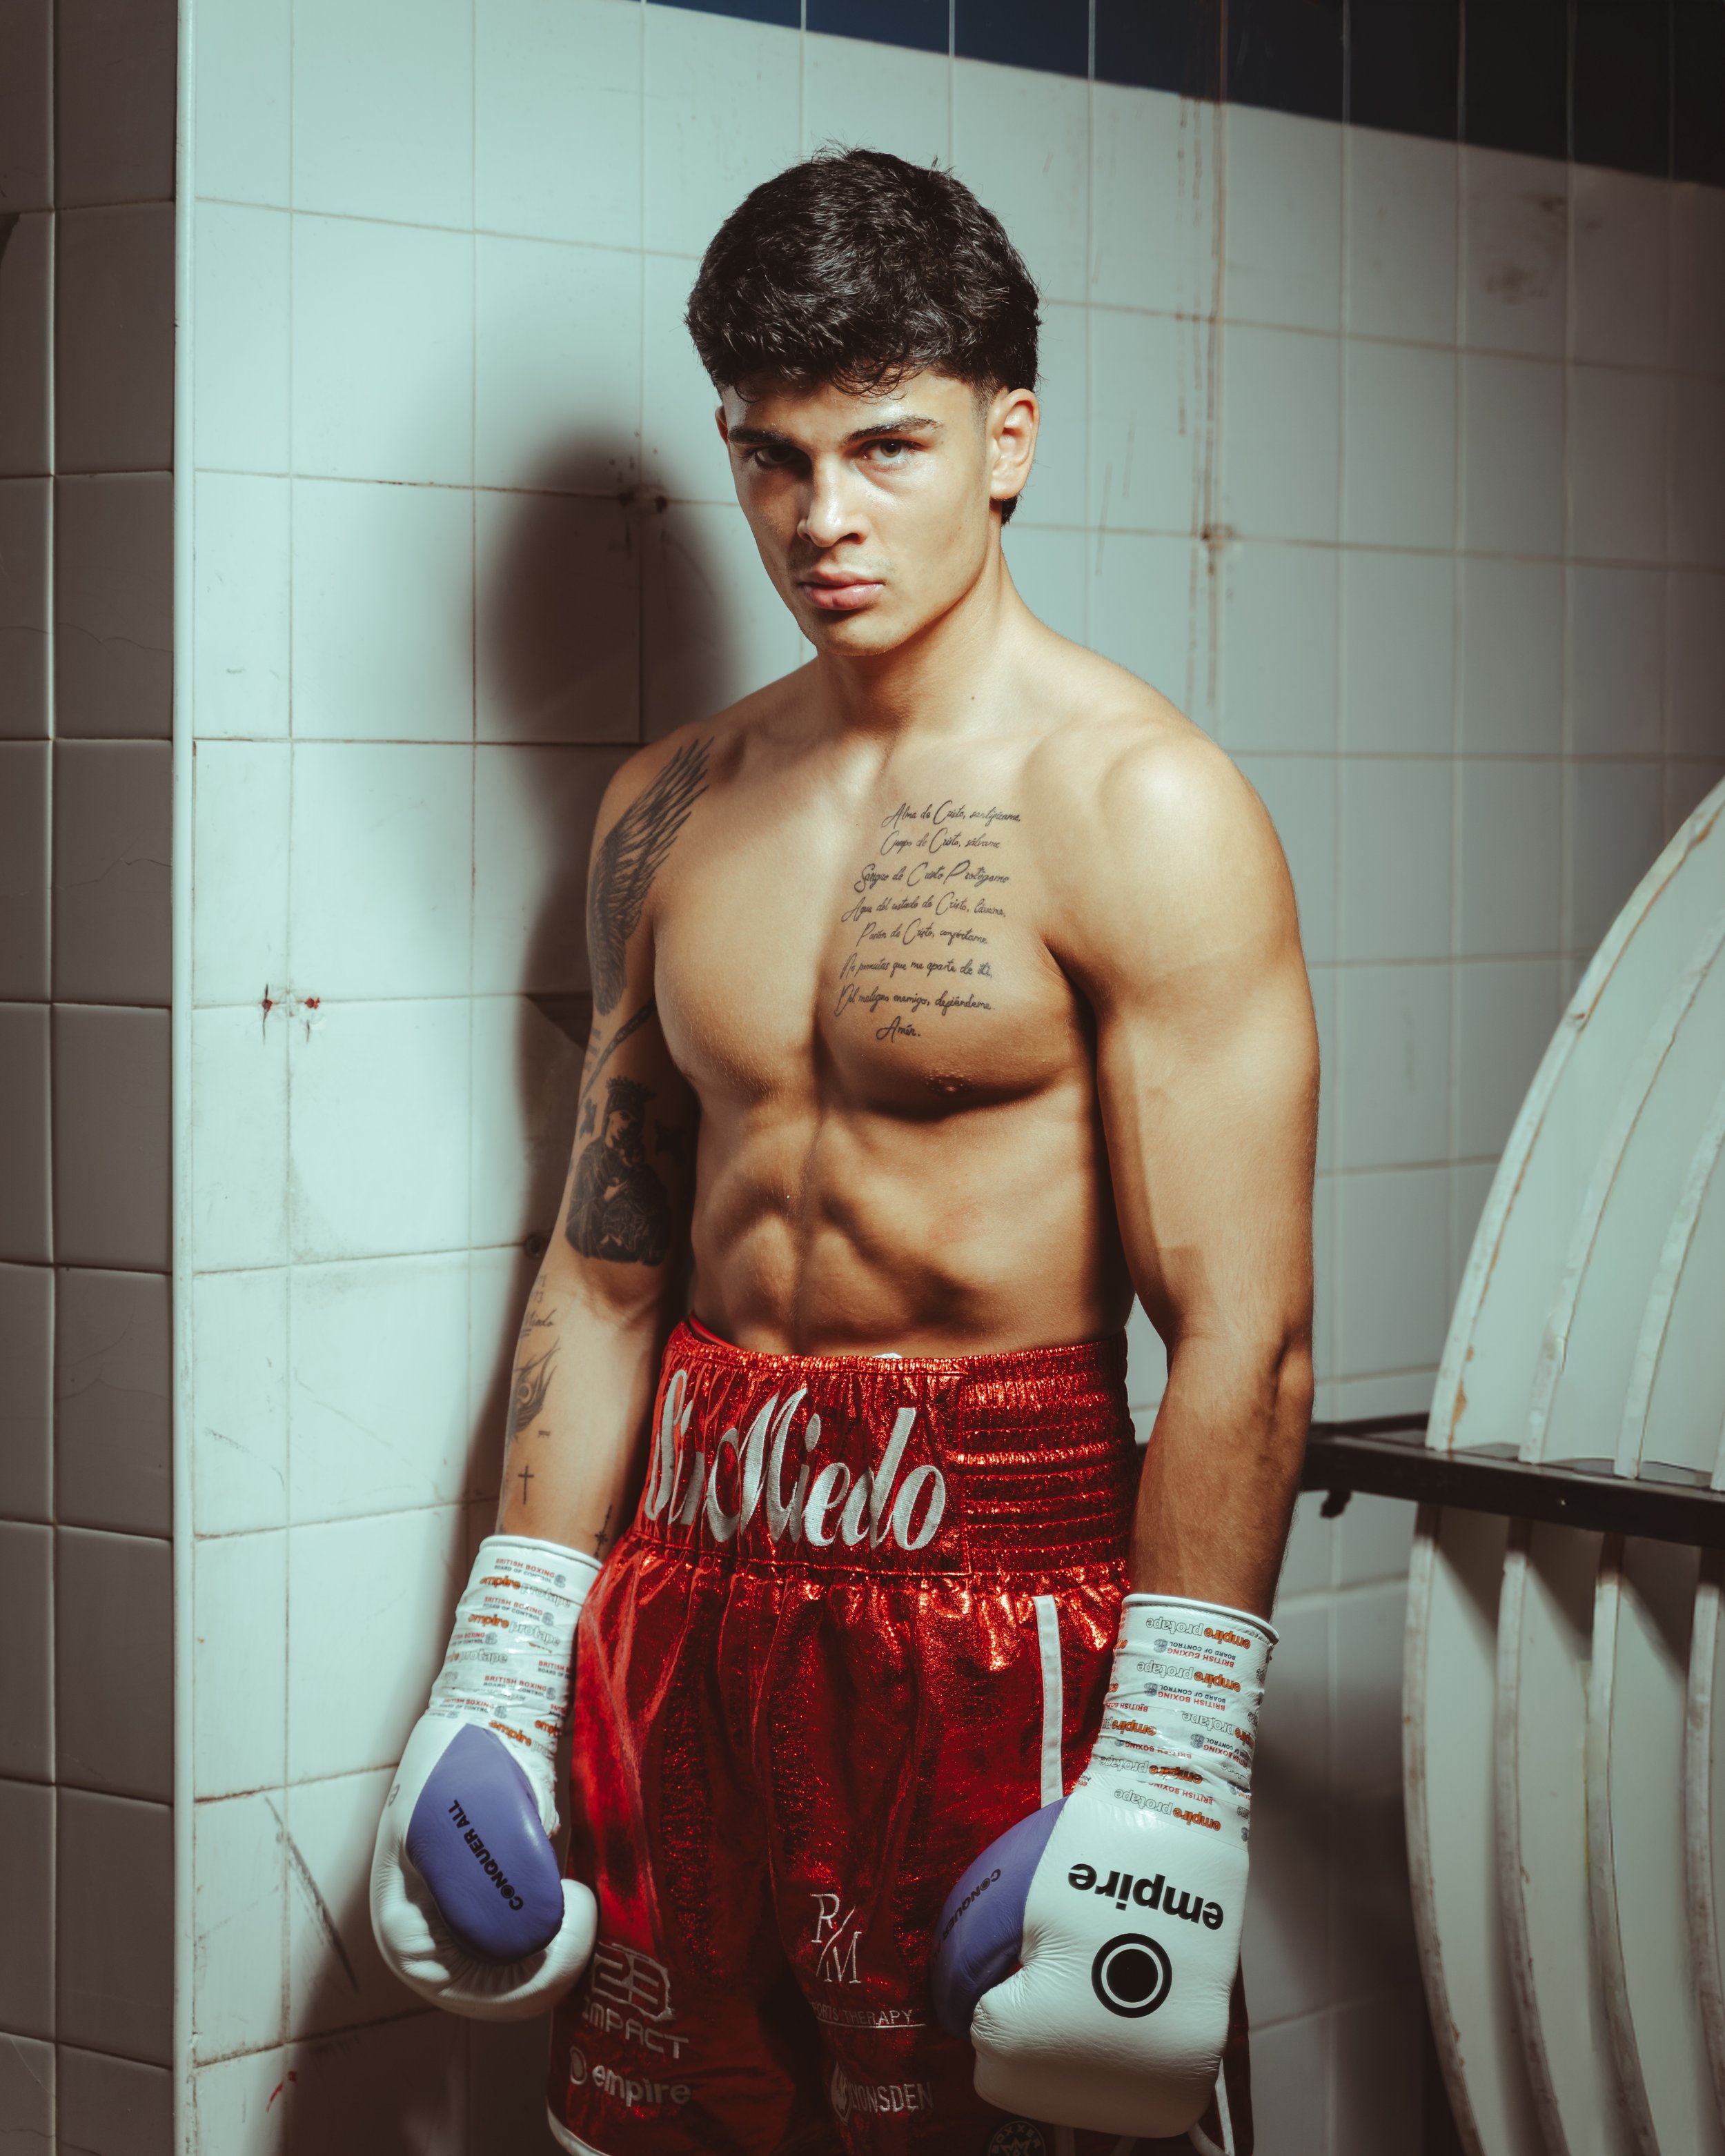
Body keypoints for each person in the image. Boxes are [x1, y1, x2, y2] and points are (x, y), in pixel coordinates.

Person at [369, 148, 1317, 2156]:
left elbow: (1243, 1332)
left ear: (1006, 438)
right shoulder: (669, 805)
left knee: (1029, 2121)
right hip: (689, 1584)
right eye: (771, 456)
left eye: (883, 447)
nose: (823, 518)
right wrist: (501, 1664)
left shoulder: (1137, 802)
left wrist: (1166, 1767)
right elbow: (610, 1263)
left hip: (1000, 1592)